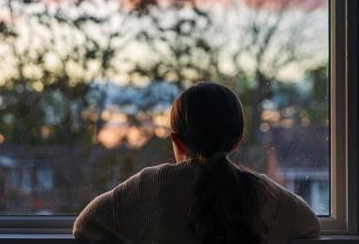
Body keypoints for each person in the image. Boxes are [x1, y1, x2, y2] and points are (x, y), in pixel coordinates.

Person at [73, 82, 320, 244]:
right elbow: (310, 227)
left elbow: (85, 226)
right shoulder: (262, 192)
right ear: (237, 141)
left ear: (177, 141)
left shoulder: (149, 186)